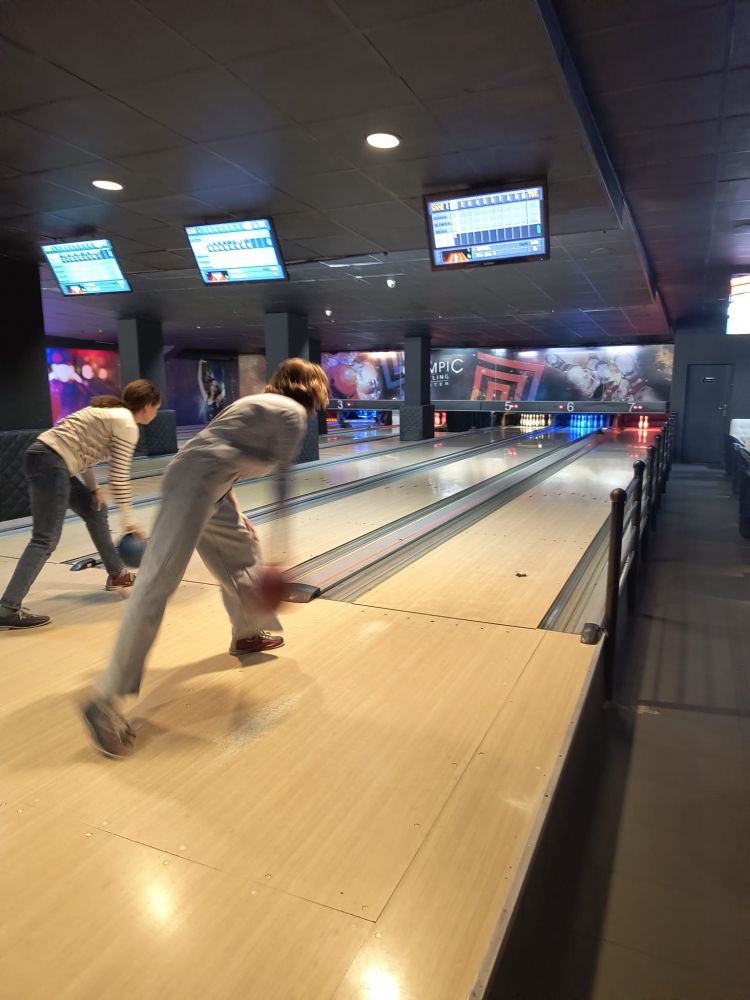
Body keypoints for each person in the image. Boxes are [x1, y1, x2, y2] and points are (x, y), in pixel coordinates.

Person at [83, 358, 329, 758]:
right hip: (194, 487)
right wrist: (281, 557)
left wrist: (236, 511)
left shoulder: (255, 404)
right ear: (314, 389)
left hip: (210, 488)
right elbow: (283, 484)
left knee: (242, 552)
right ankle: (104, 701)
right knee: (156, 584)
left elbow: (219, 453)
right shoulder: (292, 414)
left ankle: (247, 633)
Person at [0, 380, 162, 631]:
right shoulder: (127, 424)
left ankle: (118, 575)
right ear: (147, 406)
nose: (156, 413)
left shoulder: (112, 413)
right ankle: (7, 608)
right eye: (156, 408)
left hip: (45, 457)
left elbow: (82, 454)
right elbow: (119, 477)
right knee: (44, 539)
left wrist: (94, 489)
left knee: (94, 509)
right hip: (51, 461)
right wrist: (130, 522)